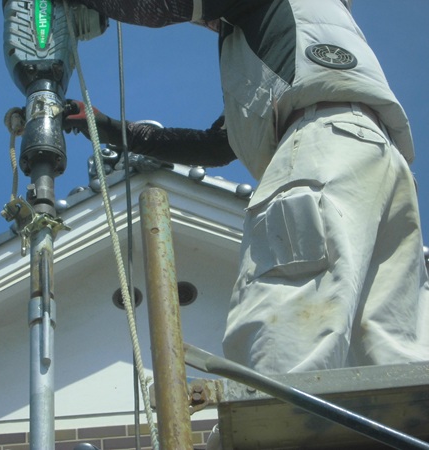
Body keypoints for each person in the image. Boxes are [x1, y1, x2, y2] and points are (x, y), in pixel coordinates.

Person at [65, 0, 429, 374]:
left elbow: (167, 6)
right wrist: (109, 127)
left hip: (324, 144)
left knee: (289, 318)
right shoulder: (282, 36)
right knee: (389, 348)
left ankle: (278, 410)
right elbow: (215, 146)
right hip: (378, 161)